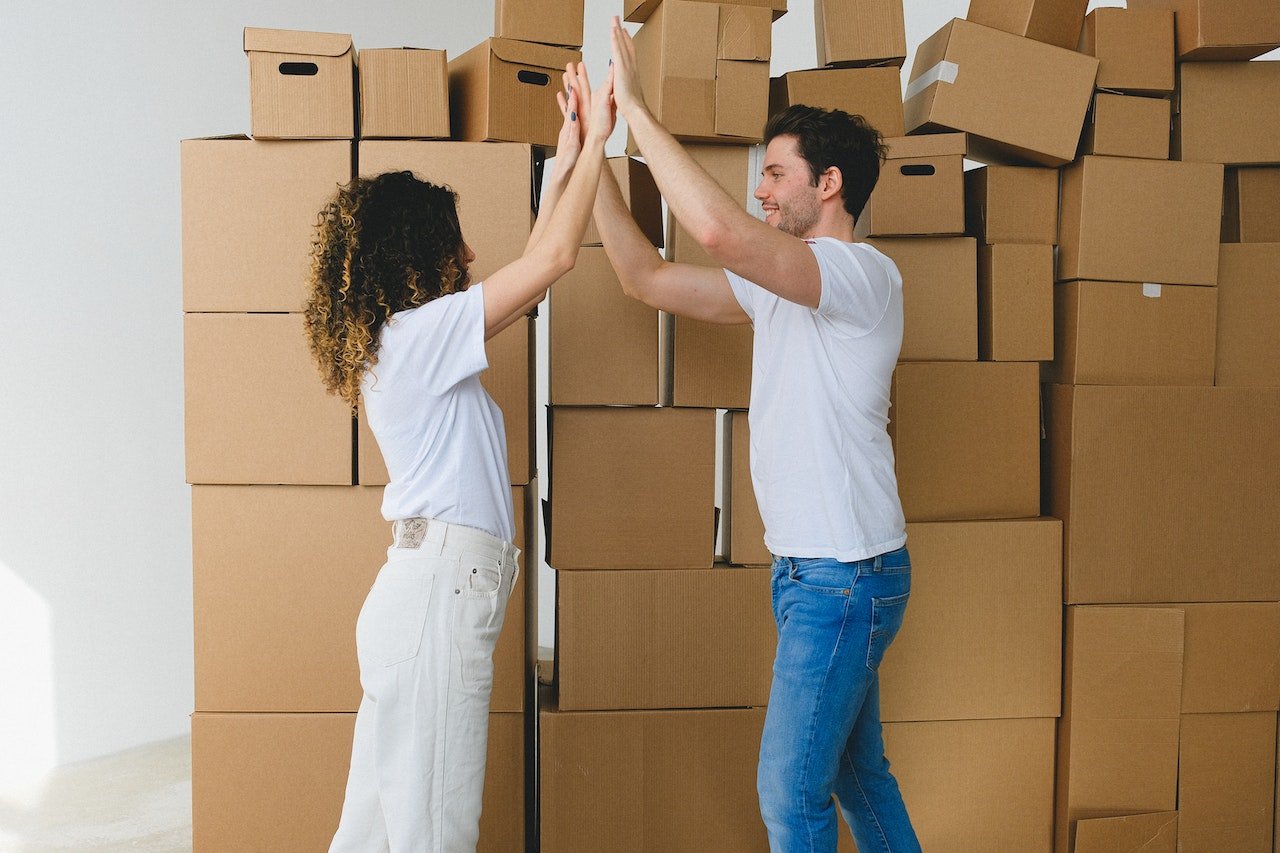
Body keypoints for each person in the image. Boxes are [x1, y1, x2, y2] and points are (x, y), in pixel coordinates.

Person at [589, 18, 920, 853]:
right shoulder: (783, 289)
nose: (764, 190)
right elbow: (647, 279)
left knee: (788, 795)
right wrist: (589, 157)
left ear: (831, 183)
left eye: (776, 173)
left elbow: (721, 233)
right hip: (817, 572)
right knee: (857, 775)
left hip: (843, 575)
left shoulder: (860, 276)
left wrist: (637, 108)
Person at [303, 62, 614, 853]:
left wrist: (568, 154)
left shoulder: (405, 342)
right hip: (438, 595)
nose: (471, 250)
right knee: (433, 832)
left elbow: (533, 276)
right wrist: (603, 139)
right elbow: (552, 264)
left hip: (421, 593)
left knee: (375, 829)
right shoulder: (418, 338)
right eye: (454, 238)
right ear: (415, 250)